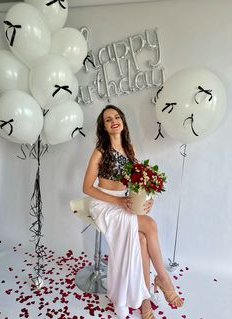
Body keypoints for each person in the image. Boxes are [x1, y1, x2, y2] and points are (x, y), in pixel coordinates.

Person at [83, 105, 183, 319]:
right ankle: (163, 280)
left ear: (123, 121)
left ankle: (145, 301)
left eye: (117, 116)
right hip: (104, 203)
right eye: (108, 119)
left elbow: (140, 180)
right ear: (104, 127)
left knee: (142, 241)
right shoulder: (100, 151)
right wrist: (118, 202)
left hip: (124, 202)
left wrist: (149, 199)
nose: (113, 121)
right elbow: (87, 188)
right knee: (151, 225)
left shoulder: (131, 149)